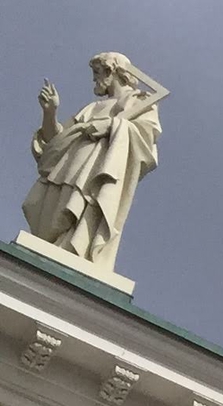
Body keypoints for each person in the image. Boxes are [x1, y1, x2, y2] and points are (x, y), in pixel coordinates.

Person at [21, 51, 167, 277]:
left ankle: (77, 250)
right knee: (54, 216)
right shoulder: (92, 108)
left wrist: (112, 127)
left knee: (82, 215)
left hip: (97, 172)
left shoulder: (138, 101)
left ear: (112, 72)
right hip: (69, 169)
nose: (94, 80)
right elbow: (57, 143)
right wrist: (50, 113)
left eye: (97, 73)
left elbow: (145, 138)